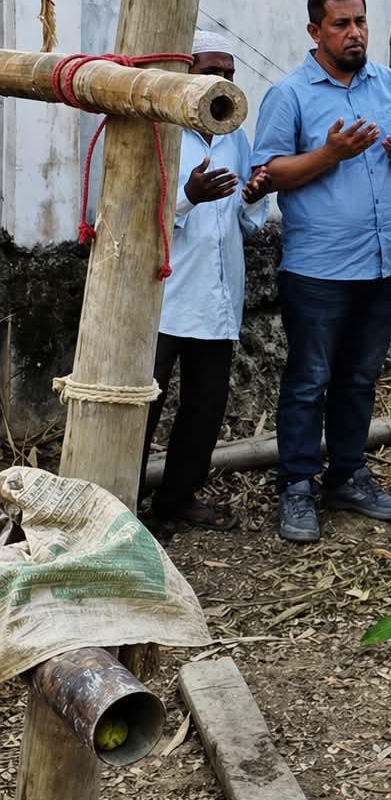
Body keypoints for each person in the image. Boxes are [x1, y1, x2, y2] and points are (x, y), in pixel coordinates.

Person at [252, 0, 391, 543]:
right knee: (310, 379)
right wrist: (330, 154)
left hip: (383, 259)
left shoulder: (389, 83)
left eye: (360, 22)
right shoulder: (290, 94)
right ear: (315, 32)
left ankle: (347, 476)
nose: (354, 34)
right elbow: (269, 173)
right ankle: (298, 486)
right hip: (318, 267)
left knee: (359, 377)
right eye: (340, 25)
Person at [140, 31, 271, 531]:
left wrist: (257, 192)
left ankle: (176, 499)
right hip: (165, 296)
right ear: (185, 74)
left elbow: (244, 221)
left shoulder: (234, 133)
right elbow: (127, 215)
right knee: (144, 407)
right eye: (211, 72)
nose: (222, 82)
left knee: (205, 406)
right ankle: (122, 507)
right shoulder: (158, 128)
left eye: (230, 74)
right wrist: (189, 195)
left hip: (217, 295)